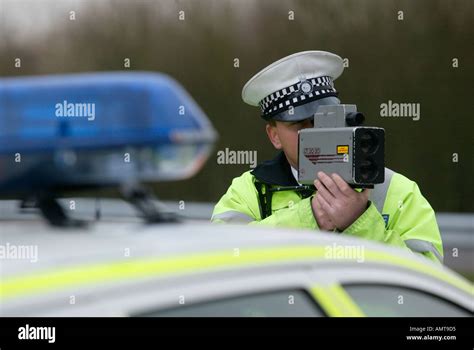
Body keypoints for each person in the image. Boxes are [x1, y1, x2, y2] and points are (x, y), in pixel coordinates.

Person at [211, 51, 443, 263]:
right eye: (299, 124)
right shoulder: (247, 192)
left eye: (323, 119)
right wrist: (310, 218)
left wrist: (359, 222)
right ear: (274, 136)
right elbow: (218, 261)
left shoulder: (396, 189)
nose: (314, 132)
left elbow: (429, 279)